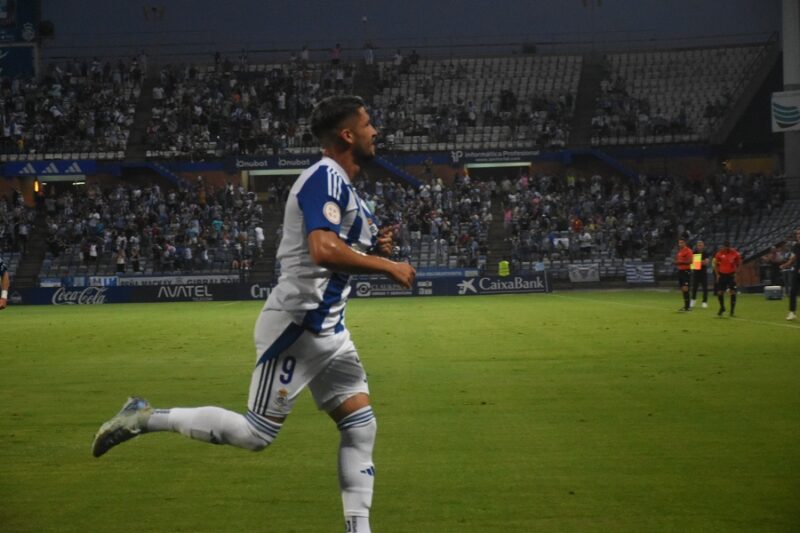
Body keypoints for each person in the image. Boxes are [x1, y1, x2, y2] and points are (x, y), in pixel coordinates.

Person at [91, 95, 416, 533]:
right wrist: (388, 265)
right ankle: (144, 416)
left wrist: (376, 249)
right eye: (368, 122)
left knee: (361, 427)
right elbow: (322, 250)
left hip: (331, 332)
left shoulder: (346, 189)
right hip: (298, 328)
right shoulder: (324, 178)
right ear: (347, 134)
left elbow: (340, 246)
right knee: (255, 435)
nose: (375, 130)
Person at [713, 240, 741, 317]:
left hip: (731, 275)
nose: (726, 248)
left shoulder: (734, 253)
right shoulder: (719, 254)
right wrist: (717, 274)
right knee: (720, 292)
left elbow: (739, 263)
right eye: (725, 247)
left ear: (730, 246)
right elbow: (715, 265)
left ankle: (732, 311)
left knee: (732, 292)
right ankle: (722, 308)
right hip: (722, 275)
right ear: (723, 246)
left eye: (728, 247)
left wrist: (736, 273)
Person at [779, 227, 800, 320]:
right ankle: (792, 312)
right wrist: (786, 265)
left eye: (799, 233)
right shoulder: (796, 246)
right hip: (797, 270)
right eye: (797, 234)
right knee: (793, 291)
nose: (798, 235)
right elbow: (794, 258)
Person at [690, 240, 711, 309]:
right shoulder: (694, 252)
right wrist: (702, 262)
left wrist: (698, 261)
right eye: (698, 245)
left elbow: (707, 263)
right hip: (696, 273)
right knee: (694, 288)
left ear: (703, 246)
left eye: (701, 245)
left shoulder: (706, 253)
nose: (700, 246)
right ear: (697, 246)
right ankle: (693, 300)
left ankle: (704, 302)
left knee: (705, 288)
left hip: (703, 273)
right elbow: (693, 264)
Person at [674, 237, 693, 312]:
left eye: (682, 242)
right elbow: (678, 261)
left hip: (686, 271)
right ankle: (686, 306)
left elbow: (690, 261)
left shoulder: (688, 251)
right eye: (679, 243)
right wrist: (676, 262)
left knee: (686, 288)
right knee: (683, 289)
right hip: (680, 271)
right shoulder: (679, 252)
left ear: (685, 243)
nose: (680, 244)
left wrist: (680, 262)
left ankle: (688, 307)